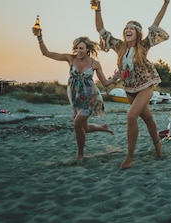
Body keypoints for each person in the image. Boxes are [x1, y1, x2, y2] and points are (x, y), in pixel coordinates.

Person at [92, 0, 171, 169]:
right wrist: (98, 9)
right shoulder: (119, 46)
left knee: (130, 117)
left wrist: (165, 3)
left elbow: (155, 24)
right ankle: (158, 145)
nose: (128, 30)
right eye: (126, 28)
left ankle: (129, 156)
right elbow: (101, 30)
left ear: (137, 33)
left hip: (145, 85)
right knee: (148, 118)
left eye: (132, 29)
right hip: (129, 87)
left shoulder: (143, 45)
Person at [34, 30, 116, 160]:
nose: (78, 51)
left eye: (81, 48)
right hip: (75, 98)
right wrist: (40, 37)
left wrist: (116, 78)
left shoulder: (95, 64)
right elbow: (46, 53)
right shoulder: (70, 58)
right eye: (77, 48)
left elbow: (105, 82)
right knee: (85, 128)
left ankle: (80, 154)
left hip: (90, 97)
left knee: (77, 125)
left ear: (88, 49)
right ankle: (103, 127)